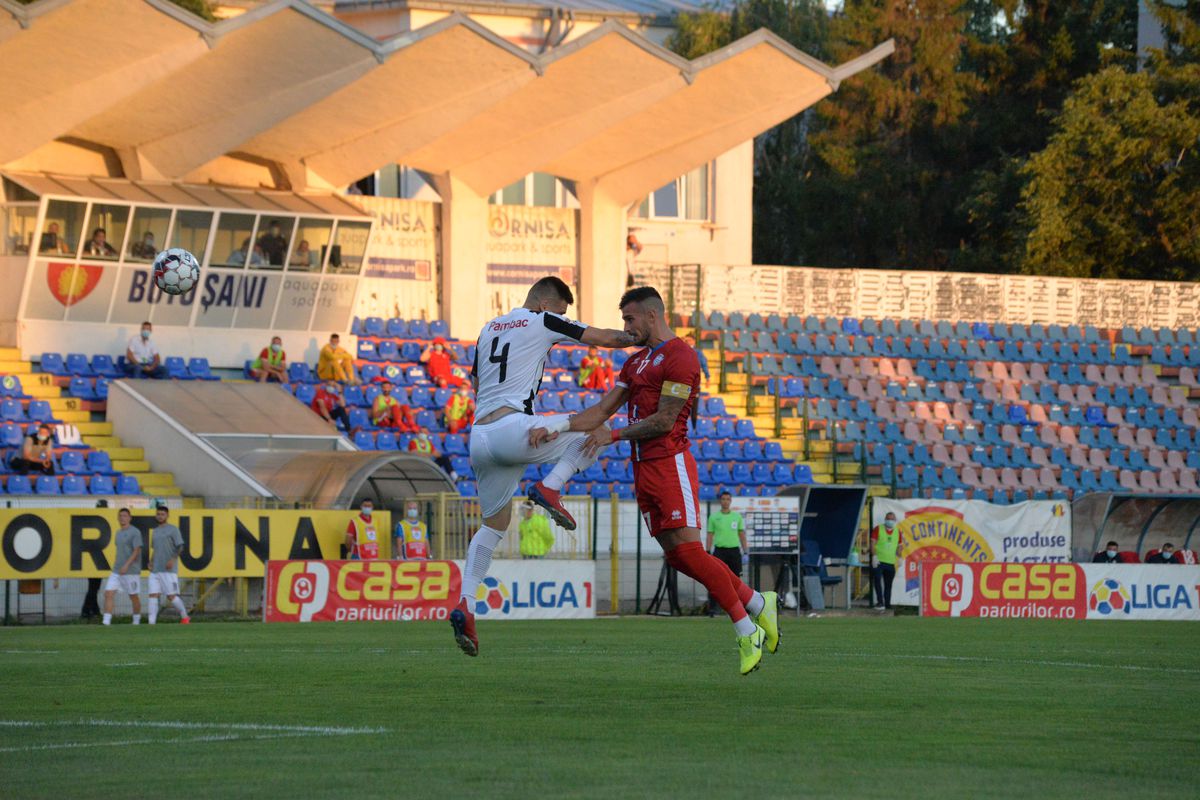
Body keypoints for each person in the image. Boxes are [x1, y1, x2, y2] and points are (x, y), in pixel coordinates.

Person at [528, 286, 778, 675]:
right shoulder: (635, 363)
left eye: (630, 319)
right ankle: (760, 604)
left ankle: (747, 630)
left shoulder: (681, 356)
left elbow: (664, 421)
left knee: (691, 553)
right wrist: (555, 426)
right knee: (678, 557)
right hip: (642, 468)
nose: (625, 328)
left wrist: (613, 435)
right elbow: (600, 410)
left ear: (651, 316)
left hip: (670, 464)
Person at [448, 276, 635, 658]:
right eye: (562, 312)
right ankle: (551, 486)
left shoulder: (488, 328)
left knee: (493, 526)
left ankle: (466, 603)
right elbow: (604, 337)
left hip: (480, 437)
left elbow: (476, 381)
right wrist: (644, 339)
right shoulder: (542, 320)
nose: (562, 319)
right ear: (547, 304)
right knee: (596, 430)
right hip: (512, 426)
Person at [705, 491, 748, 617]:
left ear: (730, 501)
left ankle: (737, 610)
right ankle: (713, 609)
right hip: (719, 551)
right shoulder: (714, 517)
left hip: (734, 551)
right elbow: (710, 535)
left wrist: (745, 551)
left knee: (736, 581)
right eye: (723, 499)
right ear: (720, 501)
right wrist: (707, 551)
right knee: (715, 580)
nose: (725, 501)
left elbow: (741, 535)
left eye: (728, 499)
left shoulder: (737, 516)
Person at [148, 504, 190, 624]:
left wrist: (172, 559)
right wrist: (151, 561)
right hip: (155, 569)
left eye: (162, 514)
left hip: (168, 570)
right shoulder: (155, 531)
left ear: (167, 515)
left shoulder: (173, 529)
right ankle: (151, 623)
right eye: (158, 514)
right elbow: (155, 549)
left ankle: (185, 616)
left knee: (171, 596)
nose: (160, 516)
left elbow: (180, 546)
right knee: (153, 595)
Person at [103, 507, 143, 626]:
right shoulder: (118, 533)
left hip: (131, 571)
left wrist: (126, 565)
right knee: (108, 593)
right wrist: (120, 565)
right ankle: (106, 622)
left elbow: (137, 550)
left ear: (130, 518)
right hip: (117, 570)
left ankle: (136, 621)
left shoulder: (135, 532)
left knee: (133, 596)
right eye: (120, 516)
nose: (122, 518)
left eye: (125, 516)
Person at [871, 511, 900, 610]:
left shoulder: (898, 532)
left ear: (895, 520)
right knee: (877, 581)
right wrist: (874, 556)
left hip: (890, 562)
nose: (890, 521)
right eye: (888, 519)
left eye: (892, 519)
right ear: (885, 519)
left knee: (888, 584)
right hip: (879, 561)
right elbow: (872, 543)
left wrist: (900, 557)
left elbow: (900, 546)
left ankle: (887, 604)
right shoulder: (878, 529)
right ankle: (880, 602)